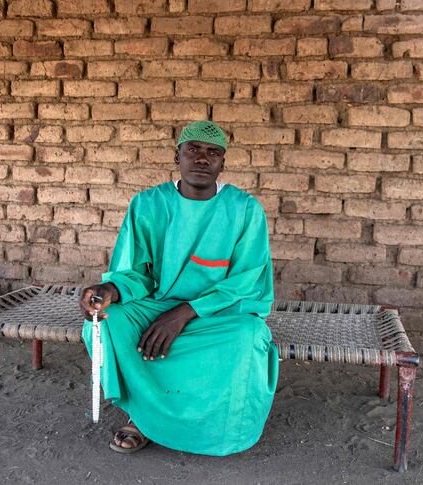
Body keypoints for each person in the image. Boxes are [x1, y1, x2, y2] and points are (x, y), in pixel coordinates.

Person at [79, 121, 278, 456]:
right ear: (178, 156)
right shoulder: (147, 204)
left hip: (218, 313)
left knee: (249, 336)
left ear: (222, 163)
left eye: (213, 153)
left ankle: (217, 427)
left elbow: (247, 282)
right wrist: (110, 290)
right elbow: (135, 272)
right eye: (193, 150)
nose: (202, 159)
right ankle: (141, 416)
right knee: (106, 321)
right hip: (157, 304)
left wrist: (185, 312)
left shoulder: (244, 209)